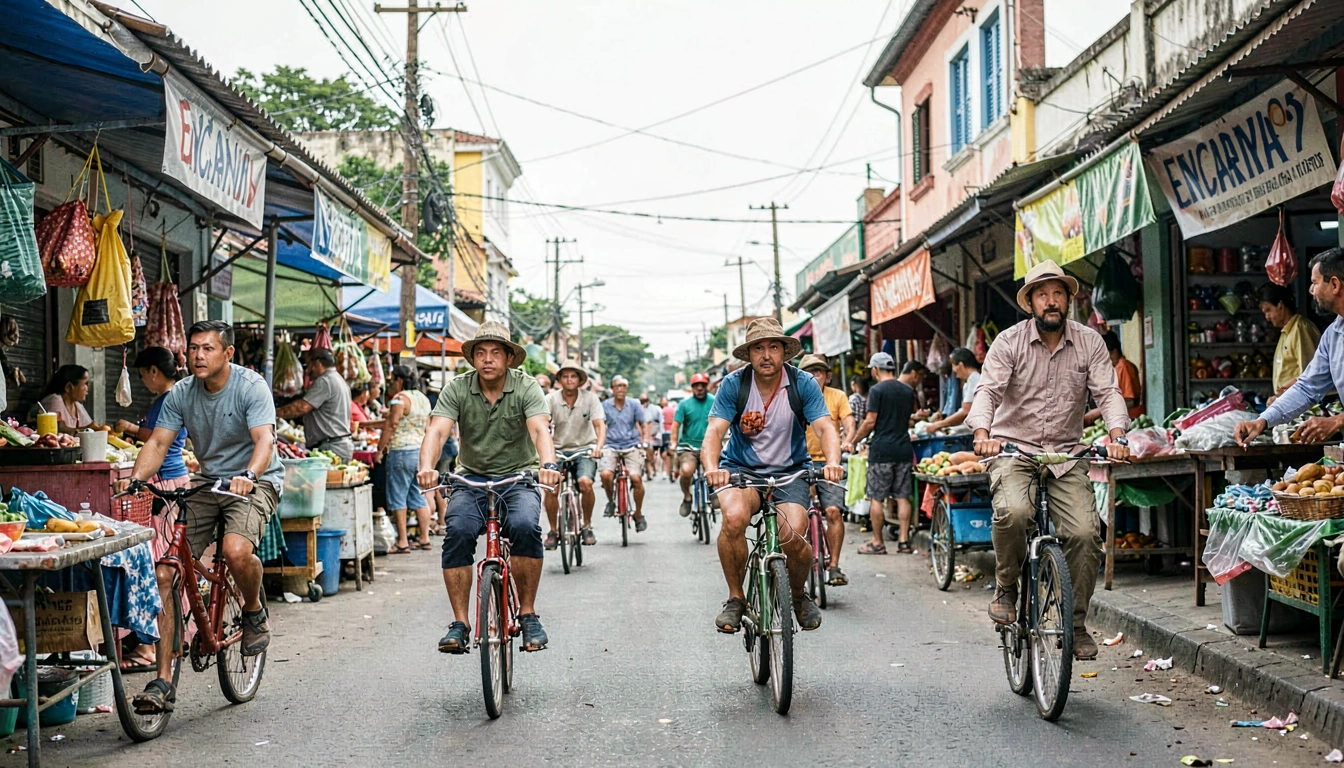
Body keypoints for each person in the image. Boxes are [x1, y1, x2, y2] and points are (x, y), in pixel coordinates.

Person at [968, 260, 1131, 662]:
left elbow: (1108, 392)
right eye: (1043, 294)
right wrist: (982, 434)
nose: (1051, 301)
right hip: (1012, 450)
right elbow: (987, 391)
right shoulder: (1008, 342)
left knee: (1085, 533)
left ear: (1069, 299)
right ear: (1030, 303)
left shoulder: (1090, 341)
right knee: (1014, 511)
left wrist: (1117, 434)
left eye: (1058, 293)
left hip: (1066, 454)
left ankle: (1075, 623)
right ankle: (1007, 586)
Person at [121, 320, 285, 712]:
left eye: (208, 348)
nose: (198, 355)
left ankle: (252, 610)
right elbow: (159, 442)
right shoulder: (181, 393)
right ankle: (162, 680)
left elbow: (265, 439)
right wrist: (136, 480)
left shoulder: (251, 387)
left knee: (234, 550)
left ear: (228, 353)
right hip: (207, 483)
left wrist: (248, 475)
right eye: (193, 348)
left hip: (253, 481)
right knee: (166, 571)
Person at [418, 321, 559, 654]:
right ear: (472, 359)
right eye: (480, 353)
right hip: (470, 479)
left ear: (509, 357)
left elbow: (540, 430)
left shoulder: (527, 387)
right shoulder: (457, 388)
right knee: (457, 532)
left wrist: (548, 466)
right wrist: (426, 467)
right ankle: (460, 623)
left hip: (518, 478)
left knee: (525, 527)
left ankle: (527, 614)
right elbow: (437, 431)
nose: (488, 359)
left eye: (496, 352)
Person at [703, 318, 842, 634]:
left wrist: (833, 461)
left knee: (794, 534)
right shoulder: (734, 385)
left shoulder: (803, 383)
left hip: (791, 472)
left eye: (773, 347)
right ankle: (736, 598)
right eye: (758, 348)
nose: (766, 355)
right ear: (749, 354)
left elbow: (824, 427)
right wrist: (713, 468)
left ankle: (796, 595)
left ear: (784, 352)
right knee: (734, 517)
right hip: (741, 471)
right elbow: (714, 431)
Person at [1237, 250, 1344, 446]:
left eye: (1315, 282)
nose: (1311, 290)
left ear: (1335, 285)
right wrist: (1263, 421)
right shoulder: (1333, 336)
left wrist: (1339, 420)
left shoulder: (1302, 329)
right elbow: (1306, 387)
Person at [852, 353, 917, 554]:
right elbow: (909, 418)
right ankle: (904, 541)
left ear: (875, 369)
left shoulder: (877, 390)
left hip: (881, 451)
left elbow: (871, 420)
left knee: (877, 498)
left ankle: (878, 542)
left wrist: (854, 440)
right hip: (904, 449)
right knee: (902, 496)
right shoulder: (908, 390)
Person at [798, 355, 855, 585]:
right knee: (797, 517)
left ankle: (834, 566)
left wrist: (849, 439)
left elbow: (849, 422)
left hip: (829, 464)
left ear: (827, 375)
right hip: (799, 463)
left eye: (819, 372)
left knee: (833, 511)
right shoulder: (796, 398)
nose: (814, 376)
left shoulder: (837, 396)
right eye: (809, 372)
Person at [544, 360, 606, 548]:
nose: (569, 380)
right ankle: (553, 530)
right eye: (565, 376)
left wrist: (599, 447)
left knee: (585, 483)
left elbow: (599, 425)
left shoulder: (590, 399)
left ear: (579, 380)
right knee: (551, 487)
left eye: (573, 376)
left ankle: (587, 525)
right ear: (559, 379)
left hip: (585, 449)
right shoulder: (551, 399)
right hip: (558, 451)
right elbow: (542, 424)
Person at [378, 365, 433, 554]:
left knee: (397, 496)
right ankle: (424, 538)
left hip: (400, 451)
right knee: (418, 495)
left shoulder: (399, 399)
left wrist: (379, 450)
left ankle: (402, 541)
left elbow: (391, 424)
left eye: (392, 380)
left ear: (399, 380)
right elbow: (428, 427)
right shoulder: (423, 399)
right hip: (419, 452)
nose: (391, 383)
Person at [275, 348, 353, 461]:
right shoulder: (338, 379)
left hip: (331, 447)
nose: (307, 371)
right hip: (339, 445)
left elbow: (301, 408)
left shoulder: (325, 381)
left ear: (317, 363)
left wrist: (273, 412)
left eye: (308, 364)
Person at [599, 376, 649, 532]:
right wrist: (598, 445)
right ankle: (611, 501)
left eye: (623, 386)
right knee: (606, 475)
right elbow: (600, 426)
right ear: (612, 389)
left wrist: (645, 441)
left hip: (631, 444)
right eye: (617, 386)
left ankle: (638, 514)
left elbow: (642, 424)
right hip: (610, 445)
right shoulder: (604, 406)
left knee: (636, 477)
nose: (621, 389)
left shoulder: (634, 404)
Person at [1258, 281, 1321, 400]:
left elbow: (1309, 375)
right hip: (1289, 403)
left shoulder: (1300, 328)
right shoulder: (1286, 332)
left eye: (1268, 310)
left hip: (1302, 404)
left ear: (1280, 305)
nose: (1267, 317)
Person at [672, 373, 716, 516]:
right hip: (688, 447)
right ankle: (687, 497)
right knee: (686, 471)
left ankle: (714, 491)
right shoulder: (684, 404)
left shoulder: (715, 401)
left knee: (717, 469)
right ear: (692, 388)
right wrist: (673, 442)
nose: (699, 388)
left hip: (710, 446)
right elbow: (676, 425)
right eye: (696, 386)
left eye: (702, 385)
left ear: (706, 387)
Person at [1084, 332, 1144, 422]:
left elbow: (1130, 401)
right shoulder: (1116, 368)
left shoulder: (1124, 367)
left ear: (1113, 352)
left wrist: (1100, 411)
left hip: (1130, 419)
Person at [920, 347, 979, 434]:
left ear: (960, 365)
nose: (954, 372)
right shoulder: (970, 381)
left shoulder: (974, 379)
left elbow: (966, 411)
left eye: (953, 366)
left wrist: (940, 424)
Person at [39, 364, 94, 433]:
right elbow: (58, 428)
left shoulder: (77, 405)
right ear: (69, 387)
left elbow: (89, 425)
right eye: (85, 383)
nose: (87, 388)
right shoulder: (55, 400)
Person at [641, 393, 662, 477]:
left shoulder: (654, 409)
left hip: (653, 435)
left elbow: (658, 422)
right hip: (642, 436)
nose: (643, 403)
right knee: (645, 455)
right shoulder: (638, 408)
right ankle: (649, 470)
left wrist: (659, 433)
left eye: (644, 401)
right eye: (642, 401)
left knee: (652, 454)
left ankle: (651, 468)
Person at [660, 396, 676, 481]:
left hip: (664, 433)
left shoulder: (662, 411)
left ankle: (665, 471)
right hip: (673, 432)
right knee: (672, 453)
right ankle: (672, 471)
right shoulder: (673, 410)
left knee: (664, 454)